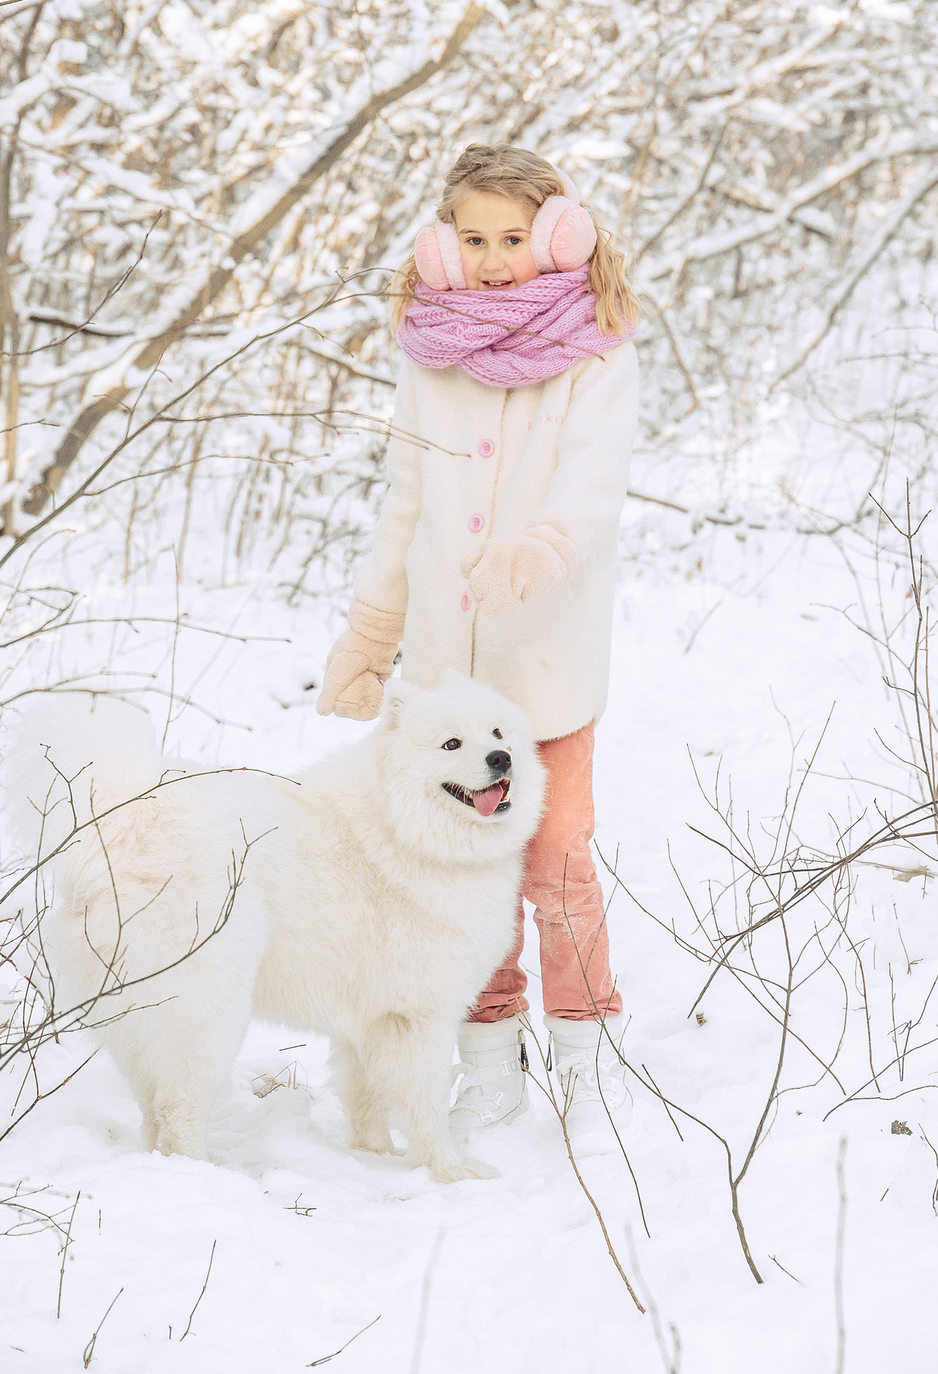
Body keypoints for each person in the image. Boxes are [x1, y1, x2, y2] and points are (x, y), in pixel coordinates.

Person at [315, 142, 641, 1146]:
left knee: (553, 860)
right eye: (475, 239)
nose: (497, 259)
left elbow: (593, 479)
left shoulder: (596, 350)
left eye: (514, 237)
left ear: (557, 236)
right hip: (445, 674)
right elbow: (404, 509)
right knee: (457, 871)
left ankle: (588, 1058)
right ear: (443, 246)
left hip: (543, 665)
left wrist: (539, 546)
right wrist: (370, 637)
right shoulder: (431, 357)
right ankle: (489, 1065)